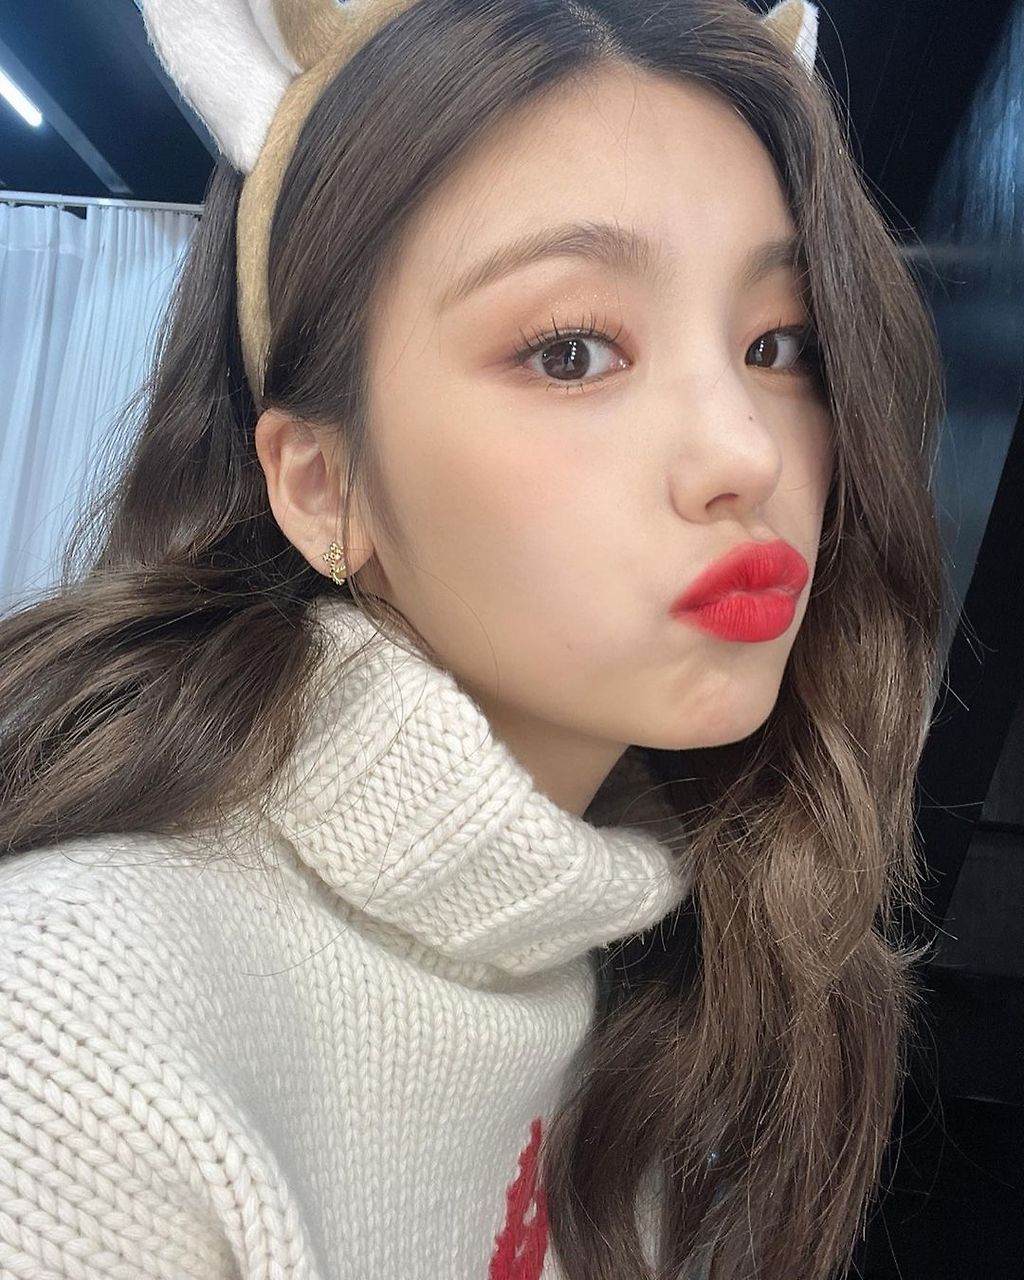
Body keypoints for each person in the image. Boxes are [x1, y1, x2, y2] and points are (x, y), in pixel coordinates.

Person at [0, 0, 950, 1276]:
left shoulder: (669, 952)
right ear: (322, 485)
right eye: (571, 352)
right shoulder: (69, 1040)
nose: (747, 451)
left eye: (780, 345)